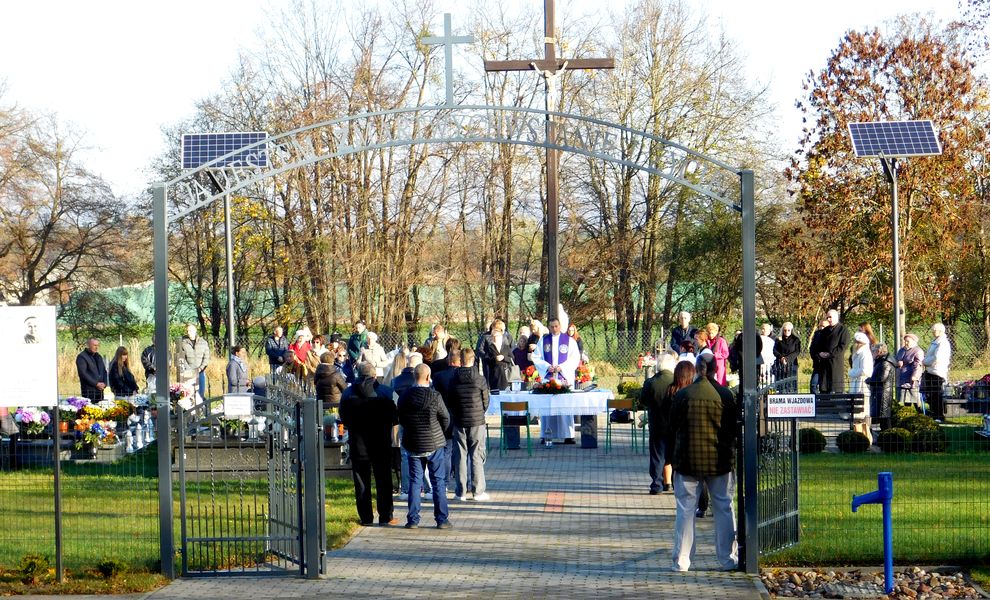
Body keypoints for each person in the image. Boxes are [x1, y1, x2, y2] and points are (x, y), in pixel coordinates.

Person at [668, 355, 738, 572]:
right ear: (717, 369)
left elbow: (673, 425)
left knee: (685, 510)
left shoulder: (683, 395)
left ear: (697, 370)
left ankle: (682, 560)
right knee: (724, 508)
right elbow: (733, 428)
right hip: (719, 461)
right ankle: (728, 559)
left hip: (688, 460)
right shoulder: (726, 395)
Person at [340, 362, 399, 526]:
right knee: (384, 480)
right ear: (374, 376)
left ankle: (366, 518)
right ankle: (386, 515)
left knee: (361, 482)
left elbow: (343, 417)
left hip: (358, 444)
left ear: (358, 375)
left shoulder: (348, 393)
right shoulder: (386, 392)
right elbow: (395, 417)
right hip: (381, 443)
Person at [397, 363, 452, 529]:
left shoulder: (405, 396)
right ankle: (441, 519)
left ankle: (413, 519)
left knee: (415, 481)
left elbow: (401, 418)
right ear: (428, 377)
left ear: (414, 377)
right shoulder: (435, 396)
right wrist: (439, 432)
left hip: (413, 442)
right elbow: (445, 418)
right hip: (434, 442)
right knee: (438, 481)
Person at [444, 349, 491, 502]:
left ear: (461, 360)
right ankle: (478, 491)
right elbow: (486, 401)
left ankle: (461, 492)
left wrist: (457, 413)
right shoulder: (480, 379)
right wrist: (480, 412)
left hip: (459, 421)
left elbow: (449, 401)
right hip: (477, 421)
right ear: (473, 359)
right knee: (476, 455)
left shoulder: (453, 379)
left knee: (460, 456)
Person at [532, 317, 581, 443]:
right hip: (548, 377)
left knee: (565, 406)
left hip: (563, 377)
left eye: (556, 326)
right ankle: (547, 435)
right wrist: (547, 367)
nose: (554, 329)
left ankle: (568, 435)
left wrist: (562, 367)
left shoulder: (569, 341)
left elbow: (575, 358)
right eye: (552, 326)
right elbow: (536, 357)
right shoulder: (544, 341)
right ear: (548, 327)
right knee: (548, 406)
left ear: (560, 326)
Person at [641, 350, 678, 494]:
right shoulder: (677, 381)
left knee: (657, 455)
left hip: (656, 424)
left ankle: (656, 485)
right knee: (673, 454)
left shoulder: (650, 382)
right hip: (673, 425)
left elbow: (643, 400)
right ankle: (673, 483)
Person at [922, 323, 952, 421]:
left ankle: (939, 416)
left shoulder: (942, 343)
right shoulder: (935, 341)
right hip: (930, 371)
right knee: (931, 395)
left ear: (940, 331)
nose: (933, 332)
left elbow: (937, 357)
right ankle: (934, 414)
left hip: (937, 372)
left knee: (936, 395)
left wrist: (925, 362)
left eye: (935, 330)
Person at [818, 310, 850, 395]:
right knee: (824, 388)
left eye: (830, 317)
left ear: (836, 317)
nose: (828, 319)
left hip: (836, 363)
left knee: (835, 389)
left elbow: (843, 346)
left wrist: (830, 354)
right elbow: (819, 345)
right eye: (827, 317)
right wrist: (821, 353)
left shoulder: (843, 330)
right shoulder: (825, 331)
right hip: (824, 363)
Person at [866, 343, 896, 431]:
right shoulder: (880, 361)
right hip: (879, 392)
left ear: (879, 351)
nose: (872, 353)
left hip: (883, 393)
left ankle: (888, 435)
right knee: (883, 417)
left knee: (884, 417)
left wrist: (869, 380)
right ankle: (885, 434)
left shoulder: (885, 363)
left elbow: (882, 379)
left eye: (873, 352)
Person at [176, 323, 210, 397]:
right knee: (188, 394)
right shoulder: (182, 342)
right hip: (187, 372)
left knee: (200, 394)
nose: (188, 332)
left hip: (200, 372)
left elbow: (206, 357)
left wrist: (200, 368)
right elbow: (181, 357)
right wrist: (188, 369)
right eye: (187, 331)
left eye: (190, 330)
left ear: (195, 331)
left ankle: (200, 404)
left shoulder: (203, 342)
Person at [848, 332, 874, 426]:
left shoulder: (865, 353)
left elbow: (865, 370)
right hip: (856, 381)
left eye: (857, 342)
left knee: (863, 404)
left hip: (862, 382)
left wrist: (852, 373)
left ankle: (864, 425)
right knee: (856, 403)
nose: (855, 344)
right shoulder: (858, 353)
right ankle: (857, 424)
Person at [481, 319, 513, 391]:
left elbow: (512, 358)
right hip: (494, 376)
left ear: (501, 335)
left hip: (505, 375)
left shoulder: (505, 346)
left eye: (496, 336)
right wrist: (494, 358)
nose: (494, 338)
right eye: (493, 336)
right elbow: (486, 359)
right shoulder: (490, 347)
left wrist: (503, 357)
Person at [895, 333, 924, 407]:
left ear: (914, 341)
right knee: (905, 400)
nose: (906, 343)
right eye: (905, 341)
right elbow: (895, 360)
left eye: (908, 341)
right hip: (902, 379)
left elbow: (918, 365)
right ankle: (908, 412)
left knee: (915, 399)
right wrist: (897, 363)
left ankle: (919, 412)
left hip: (911, 379)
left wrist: (915, 376)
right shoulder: (901, 350)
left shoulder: (918, 351)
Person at [76, 338, 108, 402]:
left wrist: (105, 383)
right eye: (94, 345)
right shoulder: (82, 357)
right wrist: (96, 384)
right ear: (88, 345)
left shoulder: (98, 356)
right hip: (89, 391)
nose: (96, 347)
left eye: (98, 345)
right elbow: (83, 374)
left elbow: (104, 371)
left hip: (100, 391)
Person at [808, 319, 829, 393]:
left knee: (824, 386)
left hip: (827, 365)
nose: (821, 328)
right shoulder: (817, 334)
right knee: (813, 384)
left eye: (823, 326)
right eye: (820, 326)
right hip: (817, 364)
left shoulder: (830, 335)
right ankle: (815, 399)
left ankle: (824, 399)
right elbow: (812, 349)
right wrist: (817, 356)